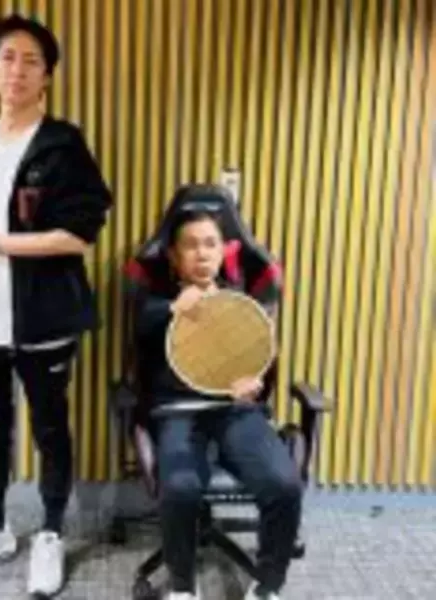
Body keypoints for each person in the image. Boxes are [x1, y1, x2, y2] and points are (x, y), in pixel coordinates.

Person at [0, 14, 112, 596]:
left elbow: (79, 235)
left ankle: (51, 532)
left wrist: (0, 244)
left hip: (45, 318)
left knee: (50, 426)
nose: (18, 69)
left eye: (32, 60)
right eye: (7, 57)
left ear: (47, 76)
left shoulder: (64, 146)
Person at [134, 210, 302, 600]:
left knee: (284, 484)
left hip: (235, 411)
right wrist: (173, 307)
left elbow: (259, 362)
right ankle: (182, 587)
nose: (202, 253)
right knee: (180, 487)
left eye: (210, 244)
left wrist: (254, 384)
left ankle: (268, 585)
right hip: (178, 414)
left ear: (223, 251)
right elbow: (143, 322)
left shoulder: (241, 308)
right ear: (173, 256)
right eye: (190, 245)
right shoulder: (155, 303)